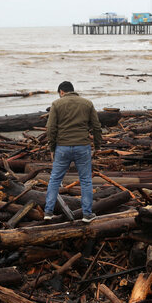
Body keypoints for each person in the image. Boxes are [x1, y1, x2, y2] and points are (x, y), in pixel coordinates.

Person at [44, 81, 103, 222]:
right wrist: (97, 145)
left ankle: (48, 212)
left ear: (61, 92)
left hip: (62, 147)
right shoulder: (87, 103)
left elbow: (50, 129)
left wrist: (52, 148)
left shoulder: (56, 105)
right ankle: (87, 214)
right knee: (86, 181)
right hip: (82, 146)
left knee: (55, 179)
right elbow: (96, 126)